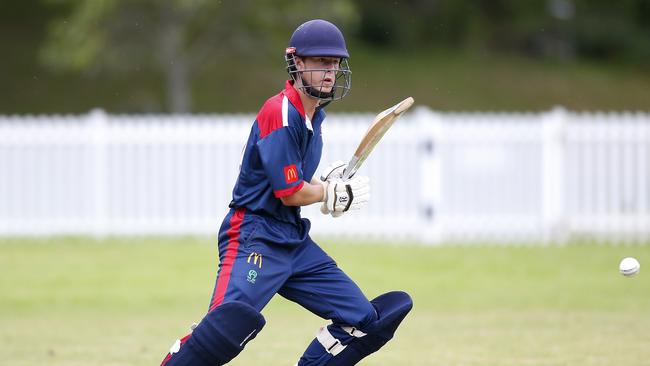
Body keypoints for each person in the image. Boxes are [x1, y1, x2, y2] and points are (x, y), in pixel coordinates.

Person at [160, 19, 413, 366]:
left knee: (366, 322)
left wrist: (327, 184)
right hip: (254, 237)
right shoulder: (279, 112)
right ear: (297, 63)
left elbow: (295, 184)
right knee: (222, 330)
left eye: (335, 63)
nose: (331, 71)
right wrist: (327, 192)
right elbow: (290, 191)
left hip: (293, 240)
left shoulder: (315, 119)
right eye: (322, 62)